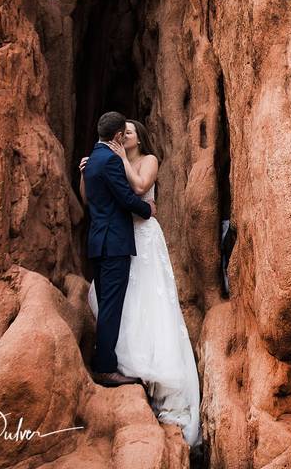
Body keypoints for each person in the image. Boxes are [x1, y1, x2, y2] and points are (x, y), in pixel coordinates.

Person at [79, 115, 202, 448]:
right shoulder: (109, 161)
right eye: (125, 131)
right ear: (118, 136)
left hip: (142, 238)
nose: (128, 135)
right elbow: (99, 195)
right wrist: (105, 165)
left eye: (132, 132)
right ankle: (116, 360)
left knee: (148, 297)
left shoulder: (147, 160)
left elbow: (139, 188)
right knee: (122, 300)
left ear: (138, 138)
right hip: (121, 235)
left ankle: (138, 365)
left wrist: (120, 161)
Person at [81, 111, 154, 388]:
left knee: (106, 303)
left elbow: (92, 201)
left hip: (98, 241)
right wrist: (147, 209)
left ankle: (107, 358)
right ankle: (106, 368)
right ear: (116, 137)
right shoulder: (111, 161)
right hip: (114, 244)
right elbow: (125, 198)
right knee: (111, 307)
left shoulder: (92, 159)